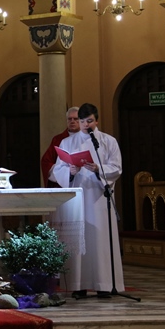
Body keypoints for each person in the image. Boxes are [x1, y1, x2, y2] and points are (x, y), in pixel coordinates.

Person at [51, 103, 124, 297]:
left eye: (89, 121)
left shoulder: (108, 141)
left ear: (96, 121)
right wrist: (70, 171)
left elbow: (117, 167)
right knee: (79, 240)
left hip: (99, 198)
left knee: (100, 240)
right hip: (78, 198)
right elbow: (58, 169)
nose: (85, 125)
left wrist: (99, 169)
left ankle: (104, 285)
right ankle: (79, 285)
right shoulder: (68, 142)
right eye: (82, 121)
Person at [41, 107, 80, 187]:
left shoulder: (87, 139)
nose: (72, 121)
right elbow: (46, 162)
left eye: (75, 119)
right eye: (69, 119)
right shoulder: (58, 140)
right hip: (64, 182)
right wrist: (63, 172)